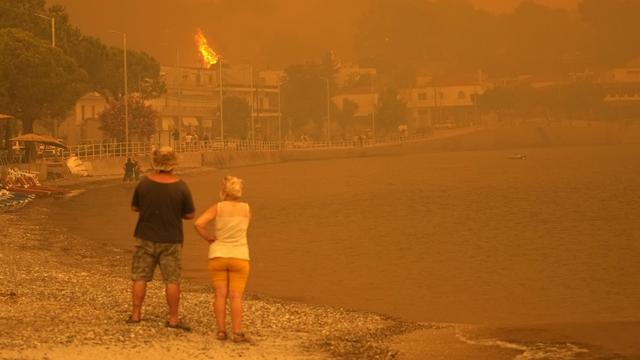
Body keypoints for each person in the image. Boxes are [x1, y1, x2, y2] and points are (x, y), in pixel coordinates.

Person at [128, 146, 195, 331]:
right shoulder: (181, 186)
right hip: (171, 239)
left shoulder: (144, 183)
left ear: (154, 162)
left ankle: (135, 315)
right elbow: (189, 215)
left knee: (140, 277)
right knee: (172, 280)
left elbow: (135, 208)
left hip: (145, 236)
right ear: (174, 163)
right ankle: (173, 319)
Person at [194, 176, 251, 342]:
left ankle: (220, 331)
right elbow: (245, 227)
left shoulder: (218, 207)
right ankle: (237, 331)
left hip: (218, 255)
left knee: (220, 295)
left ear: (224, 190)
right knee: (236, 296)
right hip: (240, 256)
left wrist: (209, 238)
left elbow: (198, 223)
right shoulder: (247, 208)